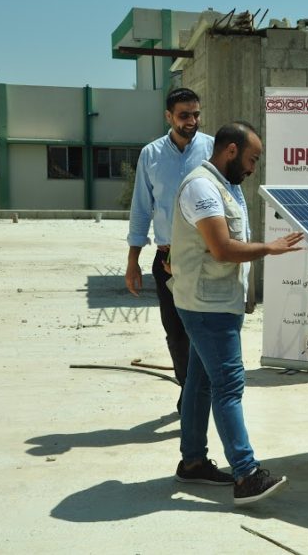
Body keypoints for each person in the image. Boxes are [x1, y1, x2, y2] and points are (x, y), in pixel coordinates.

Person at [170, 121, 304, 504]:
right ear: (230, 150)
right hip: (207, 306)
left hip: (211, 302)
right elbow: (222, 249)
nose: (252, 167)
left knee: (200, 381)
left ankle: (192, 463)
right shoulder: (202, 187)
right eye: (251, 158)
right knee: (228, 386)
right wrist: (270, 248)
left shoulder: (222, 185)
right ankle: (246, 475)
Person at [125, 88, 213, 414]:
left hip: (207, 256)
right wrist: (132, 262)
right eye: (184, 115)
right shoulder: (151, 155)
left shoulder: (213, 149)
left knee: (206, 331)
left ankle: (196, 395)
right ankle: (189, 389)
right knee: (176, 335)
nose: (192, 121)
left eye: (196, 114)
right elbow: (140, 210)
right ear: (168, 117)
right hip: (167, 260)